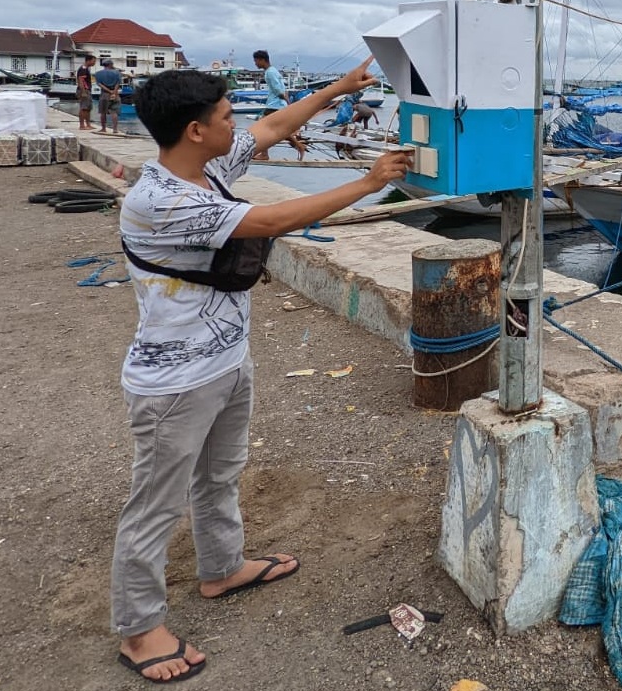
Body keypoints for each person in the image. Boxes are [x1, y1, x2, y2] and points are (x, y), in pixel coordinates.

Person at [110, 59, 411, 683]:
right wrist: (368, 180)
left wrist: (338, 90)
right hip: (174, 384)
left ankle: (222, 569)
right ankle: (139, 631)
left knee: (220, 477)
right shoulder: (162, 200)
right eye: (226, 117)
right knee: (155, 506)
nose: (237, 123)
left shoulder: (208, 166)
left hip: (223, 361)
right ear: (195, 130)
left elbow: (272, 127)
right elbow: (271, 221)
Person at [251, 49, 307, 160]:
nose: (255, 63)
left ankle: (264, 154)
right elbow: (283, 88)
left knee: (262, 128)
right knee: (280, 131)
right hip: (277, 104)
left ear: (262, 60)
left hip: (274, 105)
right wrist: (287, 103)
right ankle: (299, 146)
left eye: (256, 61)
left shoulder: (270, 73)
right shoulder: (274, 71)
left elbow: (278, 90)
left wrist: (288, 102)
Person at [96, 59, 124, 134]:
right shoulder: (117, 73)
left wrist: (109, 91)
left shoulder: (98, 73)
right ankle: (115, 129)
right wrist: (114, 92)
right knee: (114, 112)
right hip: (115, 94)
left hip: (104, 94)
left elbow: (100, 84)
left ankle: (103, 128)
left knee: (103, 112)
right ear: (110, 64)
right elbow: (118, 83)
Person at [75, 55, 97, 131]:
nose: (94, 63)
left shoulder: (87, 69)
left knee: (88, 108)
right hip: (84, 90)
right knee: (83, 108)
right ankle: (82, 125)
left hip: (87, 90)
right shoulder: (83, 69)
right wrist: (83, 91)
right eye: (93, 61)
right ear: (88, 60)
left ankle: (88, 124)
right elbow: (81, 80)